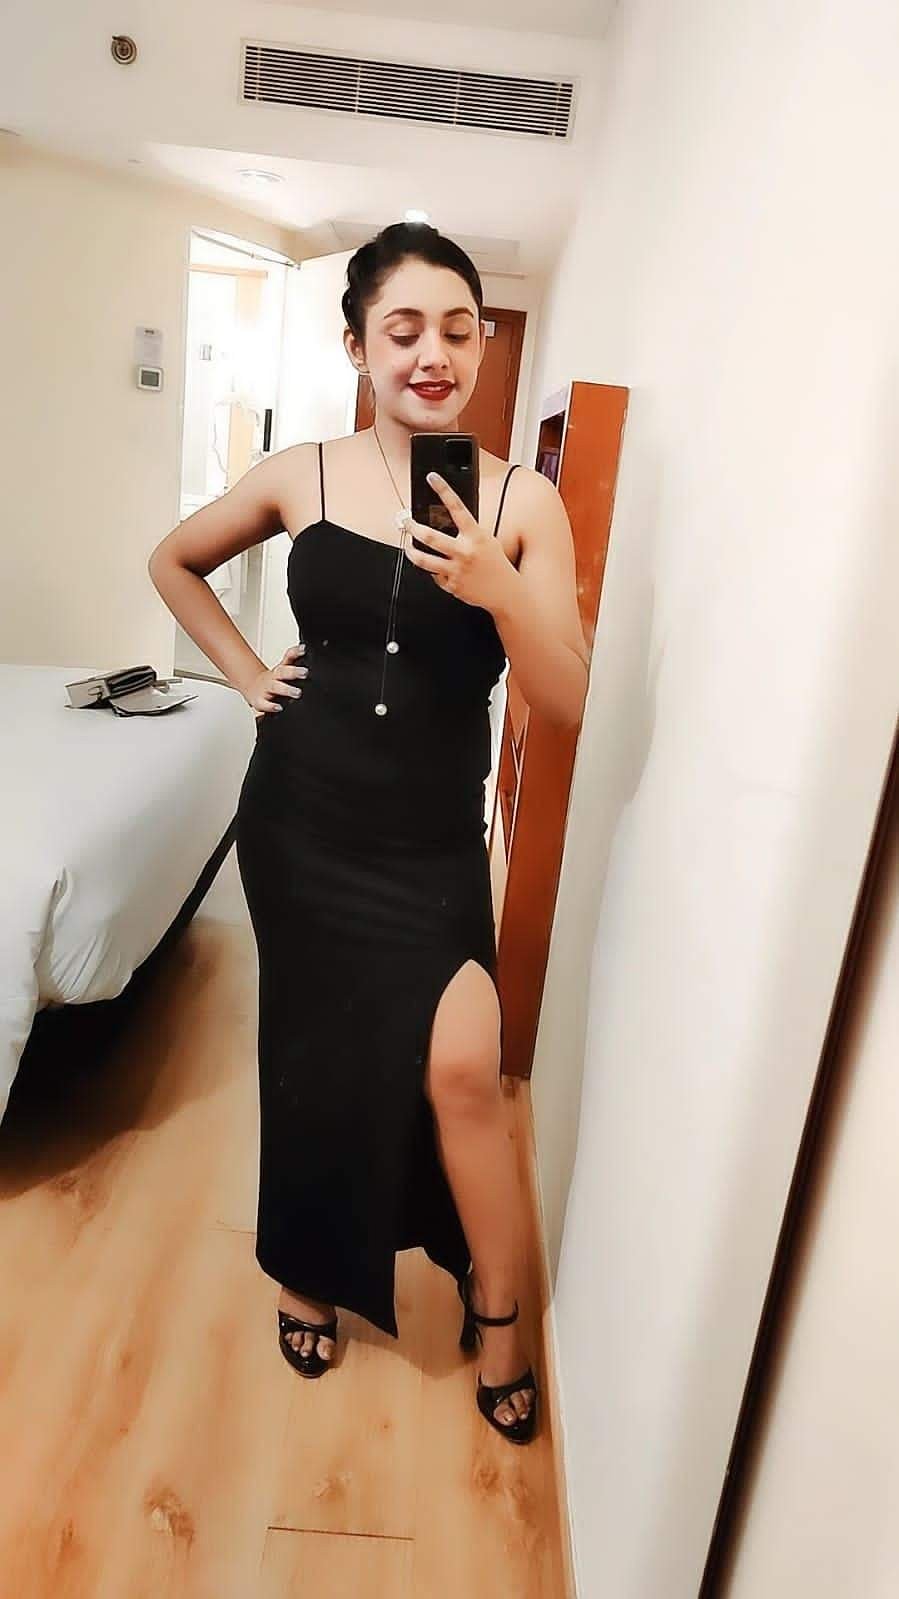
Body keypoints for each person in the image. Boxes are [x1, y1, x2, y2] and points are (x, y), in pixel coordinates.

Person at [148, 222, 588, 1445]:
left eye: (457, 329)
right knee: (312, 1060)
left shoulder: (522, 498)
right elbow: (175, 561)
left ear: (482, 343)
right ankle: (310, 1269)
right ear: (357, 346)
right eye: (402, 331)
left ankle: (498, 1310)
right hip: (300, 824)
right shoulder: (302, 473)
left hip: (430, 842)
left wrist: (497, 588)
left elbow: (563, 699)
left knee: (462, 1071)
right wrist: (246, 675)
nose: (431, 354)